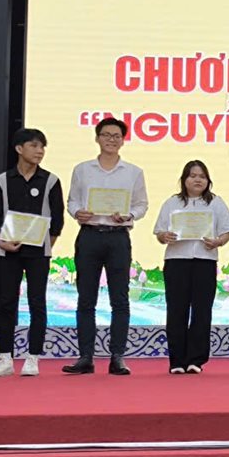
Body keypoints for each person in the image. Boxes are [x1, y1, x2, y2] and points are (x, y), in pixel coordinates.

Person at [63, 118, 148, 375]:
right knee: (85, 299)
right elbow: (72, 200)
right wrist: (78, 212)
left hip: (118, 237)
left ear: (123, 140)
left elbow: (141, 204)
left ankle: (117, 357)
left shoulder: (133, 172)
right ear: (97, 138)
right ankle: (85, 357)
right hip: (89, 235)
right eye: (106, 135)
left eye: (116, 136)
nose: (111, 139)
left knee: (120, 300)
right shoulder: (82, 169)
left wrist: (129, 215)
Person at [0, 128, 64, 377]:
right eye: (34, 145)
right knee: (6, 303)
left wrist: (46, 243)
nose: (39, 151)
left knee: (37, 303)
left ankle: (33, 357)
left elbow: (57, 219)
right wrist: (1, 241)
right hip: (8, 250)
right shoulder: (2, 181)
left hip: (38, 252)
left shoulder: (51, 181)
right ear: (19, 148)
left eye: (42, 147)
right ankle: (5, 358)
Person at [153, 160, 229, 374]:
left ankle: (195, 360)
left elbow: (226, 232)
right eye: (193, 175)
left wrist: (218, 242)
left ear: (208, 180)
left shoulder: (216, 202)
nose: (198, 180)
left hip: (205, 261)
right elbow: (159, 232)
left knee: (202, 311)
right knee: (176, 310)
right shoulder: (172, 202)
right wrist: (164, 236)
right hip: (176, 261)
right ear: (184, 179)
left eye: (202, 176)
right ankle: (177, 361)